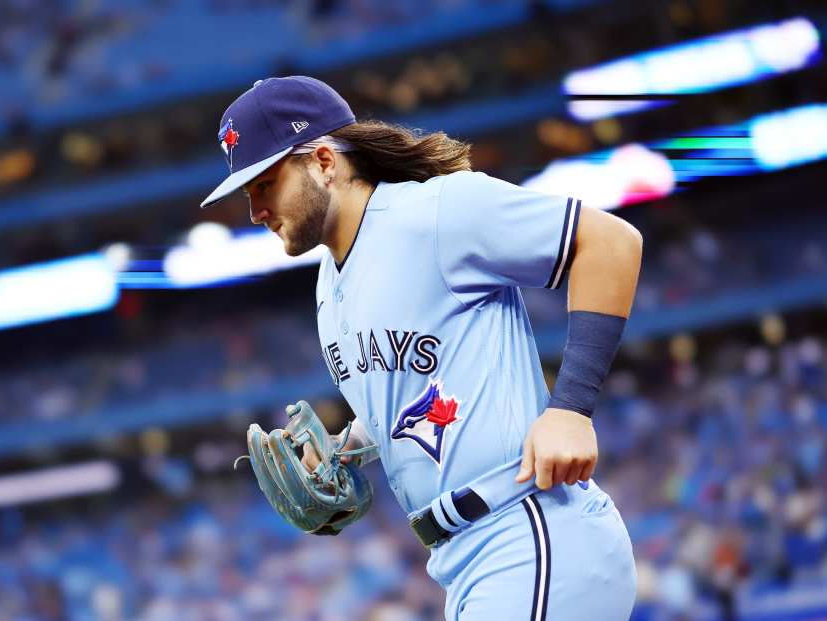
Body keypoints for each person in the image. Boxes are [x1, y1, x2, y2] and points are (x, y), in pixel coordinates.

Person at [202, 75, 641, 620]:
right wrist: (345, 447)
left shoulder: (436, 212)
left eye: (264, 184)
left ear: (322, 161)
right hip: (465, 561)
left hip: (529, 531)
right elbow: (409, 398)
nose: (255, 211)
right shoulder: (328, 285)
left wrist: (571, 408)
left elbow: (611, 242)